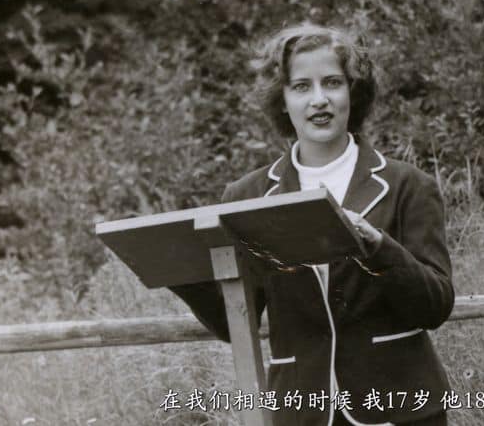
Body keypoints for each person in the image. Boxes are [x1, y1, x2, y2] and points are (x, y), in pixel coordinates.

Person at [170, 22, 454, 426]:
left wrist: (378, 246)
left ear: (353, 92)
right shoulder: (246, 195)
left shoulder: (407, 185)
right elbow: (237, 322)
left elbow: (435, 306)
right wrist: (180, 271)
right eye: (301, 86)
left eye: (332, 83)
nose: (319, 100)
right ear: (282, 100)